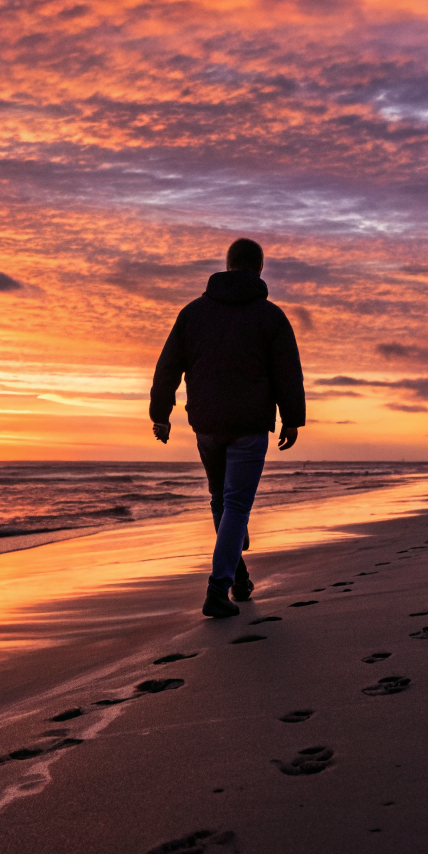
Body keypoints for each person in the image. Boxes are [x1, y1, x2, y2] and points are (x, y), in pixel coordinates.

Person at [150, 238, 305, 617]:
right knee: (234, 503)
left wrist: (160, 413)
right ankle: (218, 588)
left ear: (227, 263)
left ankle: (237, 576)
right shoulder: (270, 316)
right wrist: (292, 418)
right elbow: (287, 371)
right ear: (259, 268)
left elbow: (168, 365)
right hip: (249, 423)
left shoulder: (193, 313)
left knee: (221, 499)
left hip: (206, 422)